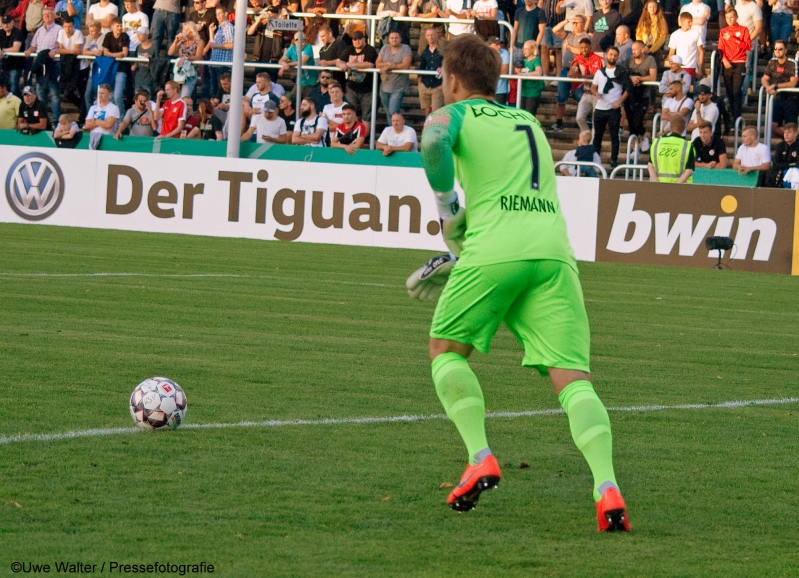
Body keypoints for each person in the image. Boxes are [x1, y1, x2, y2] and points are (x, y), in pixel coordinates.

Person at [413, 33, 629, 531]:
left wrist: (450, 213)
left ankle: (479, 455)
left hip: (495, 251)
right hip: (554, 254)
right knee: (573, 380)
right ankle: (607, 487)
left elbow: (431, 140)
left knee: (445, 352)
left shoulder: (457, 114)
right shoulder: (528, 118)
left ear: (451, 79)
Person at [549, 15, 592, 132]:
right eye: (574, 23)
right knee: (561, 96)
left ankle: (585, 121)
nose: (576, 25)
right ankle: (558, 123)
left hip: (579, 70)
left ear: (584, 24)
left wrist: (567, 46)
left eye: (578, 22)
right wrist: (567, 20)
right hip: (565, 69)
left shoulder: (586, 37)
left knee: (580, 97)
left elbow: (581, 52)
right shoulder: (568, 34)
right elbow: (554, 30)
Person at [590, 45, 627, 168]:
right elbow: (593, 87)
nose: (612, 57)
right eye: (610, 54)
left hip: (613, 109)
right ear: (606, 55)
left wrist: (619, 102)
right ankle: (595, 161)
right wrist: (596, 94)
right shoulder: (599, 72)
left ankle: (614, 160)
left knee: (614, 136)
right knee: (597, 137)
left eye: (615, 55)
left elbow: (628, 90)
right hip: (600, 109)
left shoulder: (621, 72)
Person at [25, 7, 62, 121]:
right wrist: (29, 51)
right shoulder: (39, 30)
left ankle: (56, 120)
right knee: (40, 93)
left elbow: (63, 48)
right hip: (40, 66)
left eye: (49, 14)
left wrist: (55, 52)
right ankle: (43, 119)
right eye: (45, 14)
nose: (47, 16)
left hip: (53, 65)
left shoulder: (59, 29)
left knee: (54, 94)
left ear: (54, 16)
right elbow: (33, 45)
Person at [336, 30, 378, 128]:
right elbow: (339, 61)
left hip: (368, 89)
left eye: (359, 39)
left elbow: (369, 64)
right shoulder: (349, 49)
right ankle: (353, 137)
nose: (357, 41)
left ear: (364, 40)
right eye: (354, 39)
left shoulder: (370, 49)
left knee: (367, 117)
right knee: (352, 115)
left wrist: (352, 65)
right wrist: (342, 64)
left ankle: (365, 139)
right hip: (352, 88)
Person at [717, 7, 750, 122]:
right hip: (727, 64)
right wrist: (724, 59)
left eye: (732, 17)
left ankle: (737, 117)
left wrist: (734, 38)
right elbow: (720, 48)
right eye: (727, 18)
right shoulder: (723, 31)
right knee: (729, 92)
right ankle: (732, 117)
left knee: (736, 91)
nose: (730, 20)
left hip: (739, 63)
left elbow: (748, 46)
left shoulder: (743, 30)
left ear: (736, 17)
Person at [761, 39, 798, 138]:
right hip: (777, 98)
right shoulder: (772, 62)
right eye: (775, 49)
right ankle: (790, 140)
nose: (777, 51)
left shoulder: (792, 63)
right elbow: (764, 78)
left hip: (791, 98)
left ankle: (793, 141)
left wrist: (776, 86)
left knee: (791, 127)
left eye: (780, 49)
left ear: (786, 50)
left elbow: (793, 83)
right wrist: (768, 87)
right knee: (772, 127)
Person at [377, 30, 412, 125]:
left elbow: (406, 64)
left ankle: (403, 131)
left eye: (396, 38)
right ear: (388, 39)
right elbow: (377, 63)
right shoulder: (384, 48)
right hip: (384, 86)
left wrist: (390, 67)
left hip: (399, 87)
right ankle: (392, 133)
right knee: (389, 113)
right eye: (392, 38)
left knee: (393, 112)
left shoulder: (405, 48)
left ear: (400, 39)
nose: (394, 40)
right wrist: (387, 63)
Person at [647, 114, 694, 182]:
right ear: (685, 127)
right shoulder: (687, 146)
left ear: (670, 127)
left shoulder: (656, 143)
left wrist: (656, 183)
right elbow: (689, 170)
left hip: (660, 187)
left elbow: (650, 166)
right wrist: (675, 187)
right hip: (682, 189)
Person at [168, 21, 204, 100]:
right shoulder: (182, 41)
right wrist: (176, 41)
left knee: (184, 97)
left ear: (192, 30)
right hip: (180, 72)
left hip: (190, 73)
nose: (185, 32)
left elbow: (198, 56)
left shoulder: (199, 42)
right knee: (176, 98)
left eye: (187, 30)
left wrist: (186, 58)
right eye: (184, 30)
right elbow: (170, 52)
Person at [205, 5, 234, 95]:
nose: (217, 16)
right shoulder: (220, 28)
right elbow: (213, 44)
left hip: (223, 65)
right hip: (215, 64)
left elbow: (231, 44)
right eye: (216, 14)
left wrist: (216, 45)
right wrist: (211, 32)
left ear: (226, 14)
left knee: (220, 91)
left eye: (220, 13)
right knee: (213, 90)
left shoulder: (228, 27)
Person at [667, 12, 704, 81]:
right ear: (682, 22)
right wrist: (672, 66)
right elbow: (671, 53)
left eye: (691, 21)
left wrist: (700, 68)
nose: (691, 24)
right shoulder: (675, 35)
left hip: (690, 66)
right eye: (689, 22)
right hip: (678, 66)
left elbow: (701, 51)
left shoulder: (695, 33)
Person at [515, 39, 544, 115]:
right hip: (522, 92)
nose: (524, 51)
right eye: (523, 49)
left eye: (526, 49)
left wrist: (525, 75)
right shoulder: (523, 61)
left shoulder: (536, 60)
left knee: (529, 115)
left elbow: (539, 72)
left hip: (532, 93)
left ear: (532, 49)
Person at [765, 122, 799, 186]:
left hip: (796, 172)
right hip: (782, 171)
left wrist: (785, 165)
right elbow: (776, 164)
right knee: (770, 172)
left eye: (789, 132)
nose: (786, 135)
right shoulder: (780, 146)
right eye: (785, 132)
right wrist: (790, 165)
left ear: (795, 134)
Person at [1, 15, 26, 98]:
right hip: (4, 65)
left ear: (12, 22)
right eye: (4, 23)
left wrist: (3, 50)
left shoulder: (18, 33)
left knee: (13, 88)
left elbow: (16, 48)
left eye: (8, 23)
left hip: (15, 65)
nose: (6, 25)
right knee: (6, 88)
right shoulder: (1, 33)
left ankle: (19, 105)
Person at [539, 0, 564, 76]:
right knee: (544, 48)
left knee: (558, 50)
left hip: (559, 23)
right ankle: (545, 75)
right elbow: (541, 2)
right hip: (546, 23)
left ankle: (559, 76)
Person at [487, 37, 510, 105]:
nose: (499, 47)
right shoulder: (484, 53)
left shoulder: (504, 53)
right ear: (490, 46)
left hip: (501, 90)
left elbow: (504, 70)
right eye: (496, 45)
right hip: (487, 90)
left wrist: (490, 73)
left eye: (499, 44)